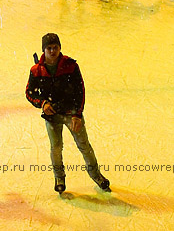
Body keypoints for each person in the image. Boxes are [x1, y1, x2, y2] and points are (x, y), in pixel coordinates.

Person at [25, 32, 111, 194]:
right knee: (56, 148)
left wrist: (77, 114)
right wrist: (42, 104)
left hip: (71, 113)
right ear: (43, 50)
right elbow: (29, 92)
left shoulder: (70, 66)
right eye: (49, 48)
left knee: (84, 146)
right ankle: (59, 178)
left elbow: (80, 91)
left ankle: (96, 175)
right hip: (52, 117)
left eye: (55, 47)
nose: (52, 51)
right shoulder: (36, 70)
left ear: (60, 48)